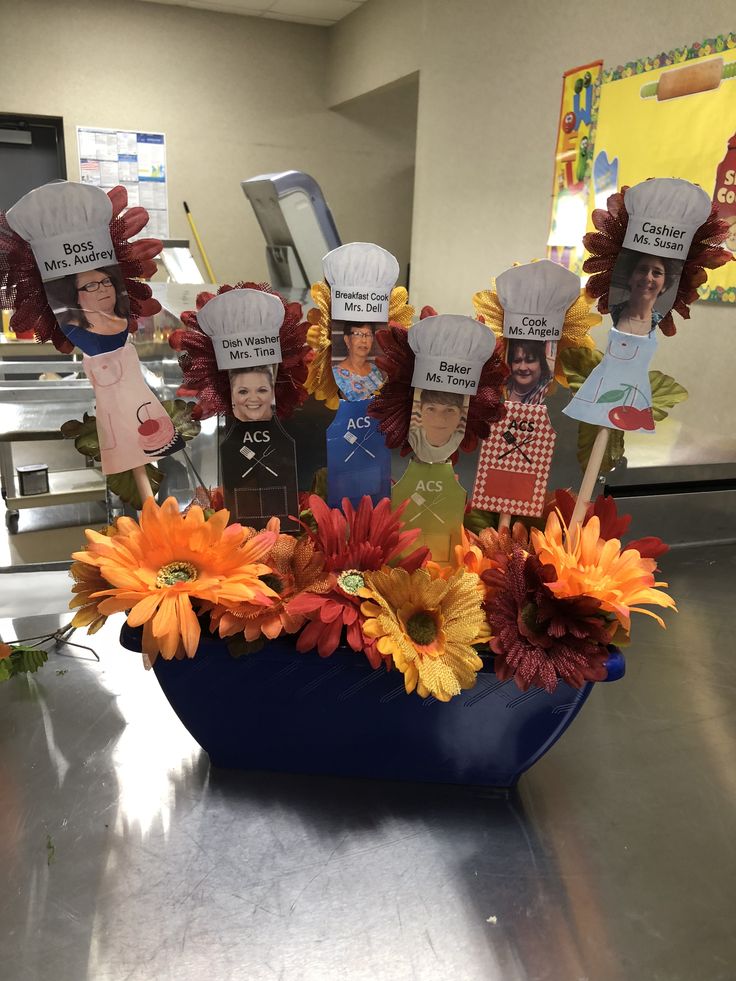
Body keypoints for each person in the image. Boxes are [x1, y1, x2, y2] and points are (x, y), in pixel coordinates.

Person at [610, 251, 679, 335]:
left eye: (657, 272)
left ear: (664, 285)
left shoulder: (663, 326)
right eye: (642, 270)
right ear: (630, 278)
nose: (648, 278)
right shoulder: (608, 312)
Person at [408, 389, 467, 463]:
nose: (439, 419)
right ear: (420, 410)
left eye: (450, 410)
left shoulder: (464, 441)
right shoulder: (410, 439)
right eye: (431, 409)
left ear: (461, 414)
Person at [332, 321, 385, 401]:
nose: (364, 340)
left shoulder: (374, 369)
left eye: (368, 335)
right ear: (347, 340)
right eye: (357, 334)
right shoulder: (335, 374)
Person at [506, 339, 553, 404]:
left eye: (530, 361)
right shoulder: (503, 387)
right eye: (517, 361)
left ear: (541, 363)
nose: (522, 368)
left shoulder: (550, 392)